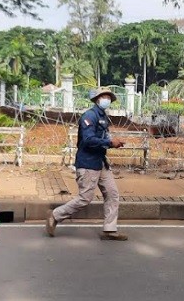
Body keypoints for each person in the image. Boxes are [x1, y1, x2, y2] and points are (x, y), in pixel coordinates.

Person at [45, 88, 128, 241]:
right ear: (97, 99)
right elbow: (88, 140)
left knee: (112, 193)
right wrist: (109, 142)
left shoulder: (103, 117)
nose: (107, 100)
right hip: (88, 163)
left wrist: (112, 142)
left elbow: (101, 137)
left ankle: (110, 229)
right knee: (85, 198)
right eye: (104, 97)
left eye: (109, 97)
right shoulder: (89, 116)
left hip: (100, 162)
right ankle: (55, 215)